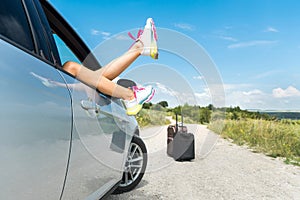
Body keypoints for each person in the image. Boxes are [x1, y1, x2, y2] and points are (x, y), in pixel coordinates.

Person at [62, 18, 158, 116]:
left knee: (76, 70)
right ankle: (129, 95)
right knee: (71, 67)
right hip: (56, 90)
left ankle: (139, 48)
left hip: (59, 91)